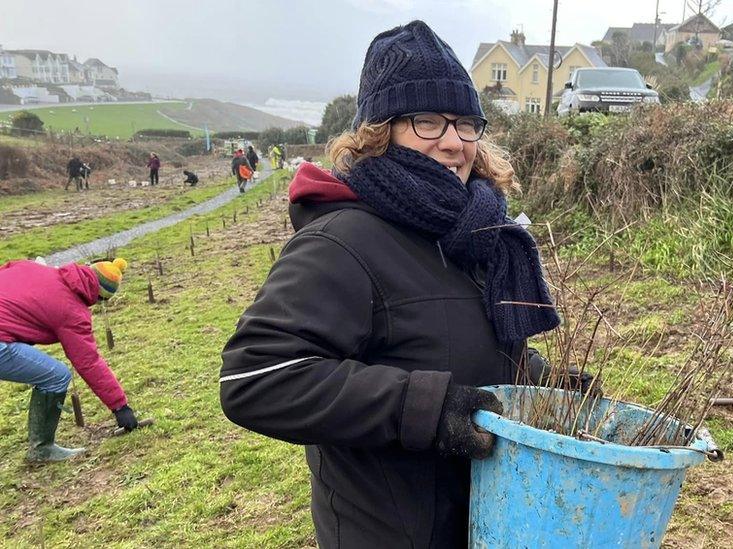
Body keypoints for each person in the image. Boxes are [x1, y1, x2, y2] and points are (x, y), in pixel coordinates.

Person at [220, 20, 559, 547]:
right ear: (378, 132)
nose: (453, 143)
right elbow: (256, 377)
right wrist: (424, 407)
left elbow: (453, 338)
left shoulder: (473, 232)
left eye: (466, 123)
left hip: (485, 519)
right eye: (427, 121)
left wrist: (537, 377)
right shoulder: (341, 241)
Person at [0, 258, 141, 462]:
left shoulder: (35, 267)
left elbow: (9, 267)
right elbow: (88, 362)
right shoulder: (72, 310)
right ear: (99, 296)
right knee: (56, 376)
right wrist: (120, 406)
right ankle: (42, 449)